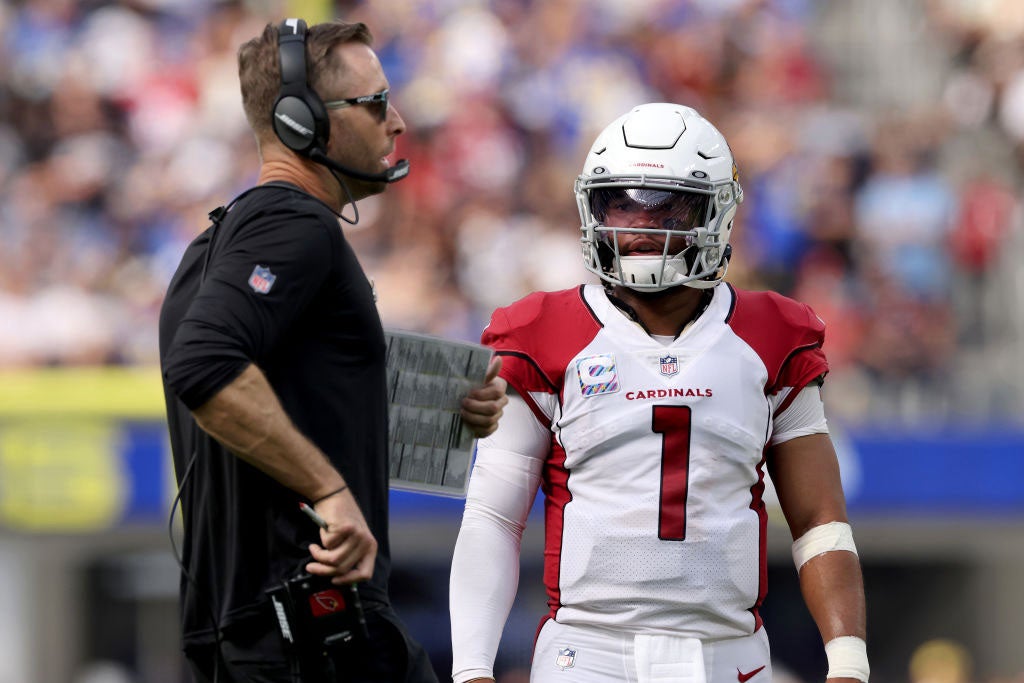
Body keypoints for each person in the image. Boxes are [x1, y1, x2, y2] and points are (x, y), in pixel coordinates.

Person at [449, 103, 869, 683]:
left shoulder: (774, 335)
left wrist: (848, 661)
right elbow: (493, 516)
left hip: (731, 656)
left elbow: (820, 520)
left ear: (716, 210)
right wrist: (472, 669)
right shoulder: (540, 331)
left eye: (667, 204)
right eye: (620, 203)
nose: (642, 225)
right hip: (588, 653)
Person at [159, 18, 507, 683]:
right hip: (317, 633)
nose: (397, 120)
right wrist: (330, 489)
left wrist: (434, 402)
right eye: (374, 103)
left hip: (259, 636)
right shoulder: (293, 223)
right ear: (300, 120)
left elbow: (291, 385)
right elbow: (204, 363)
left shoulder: (217, 243)